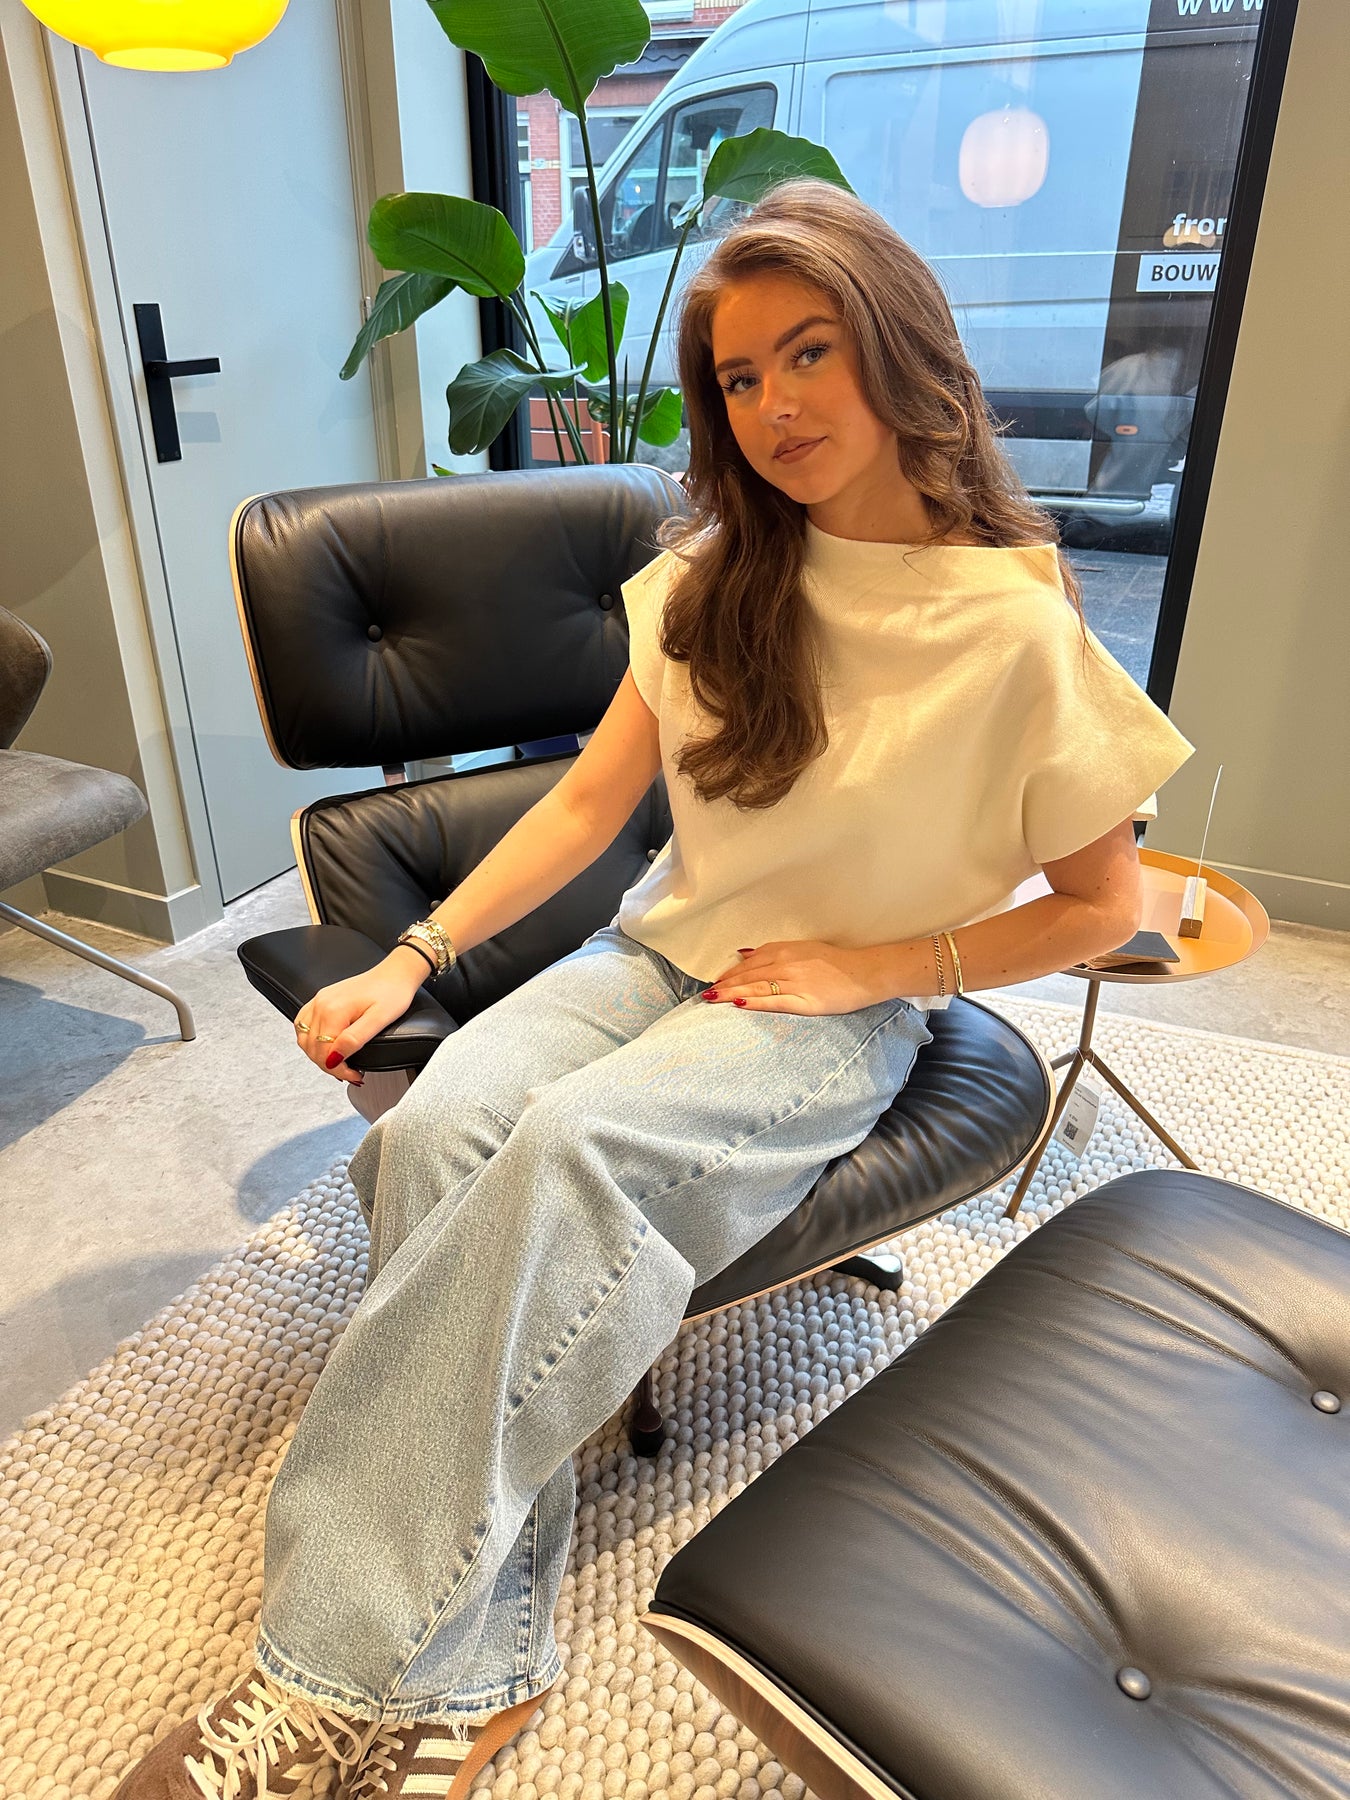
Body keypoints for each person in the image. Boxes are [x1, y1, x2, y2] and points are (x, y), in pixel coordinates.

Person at [115, 177, 1193, 1800]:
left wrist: (877, 965)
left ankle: (321, 1677)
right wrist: (413, 955)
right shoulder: (712, 581)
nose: (772, 406)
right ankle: (469, 1669)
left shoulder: (1012, 623)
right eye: (739, 378)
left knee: (570, 1155)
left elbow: (1105, 907)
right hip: (651, 949)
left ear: (898, 345)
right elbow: (580, 808)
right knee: (430, 1134)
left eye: (808, 351)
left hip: (828, 1011)